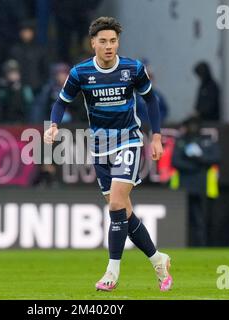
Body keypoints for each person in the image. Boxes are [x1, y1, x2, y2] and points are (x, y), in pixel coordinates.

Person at [43, 17, 172, 292]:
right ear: (93, 44)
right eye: (103, 41)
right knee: (123, 212)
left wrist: (157, 136)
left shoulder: (132, 69)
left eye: (113, 40)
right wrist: (52, 125)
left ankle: (111, 272)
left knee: (115, 205)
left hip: (128, 141)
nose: (109, 46)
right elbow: (60, 102)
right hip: (100, 147)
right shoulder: (80, 73)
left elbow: (150, 99)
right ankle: (158, 260)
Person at [171, 116, 221, 246]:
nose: (192, 128)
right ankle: (183, 244)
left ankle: (202, 245)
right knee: (183, 219)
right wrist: (197, 166)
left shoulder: (207, 141)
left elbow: (216, 158)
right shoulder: (181, 141)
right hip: (183, 187)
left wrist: (199, 157)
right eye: (190, 125)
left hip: (203, 187)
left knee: (201, 219)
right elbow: (175, 161)